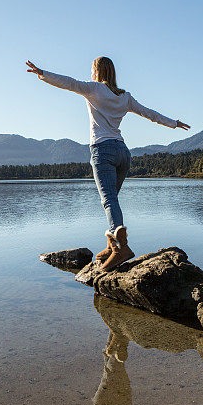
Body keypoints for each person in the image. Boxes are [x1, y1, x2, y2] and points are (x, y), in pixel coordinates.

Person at [26, 56, 189, 270]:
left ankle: (122, 248)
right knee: (112, 201)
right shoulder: (125, 97)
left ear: (96, 71)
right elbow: (148, 113)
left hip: (102, 151)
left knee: (109, 201)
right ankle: (112, 243)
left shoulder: (94, 89)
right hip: (123, 153)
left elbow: (69, 83)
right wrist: (173, 123)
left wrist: (42, 74)